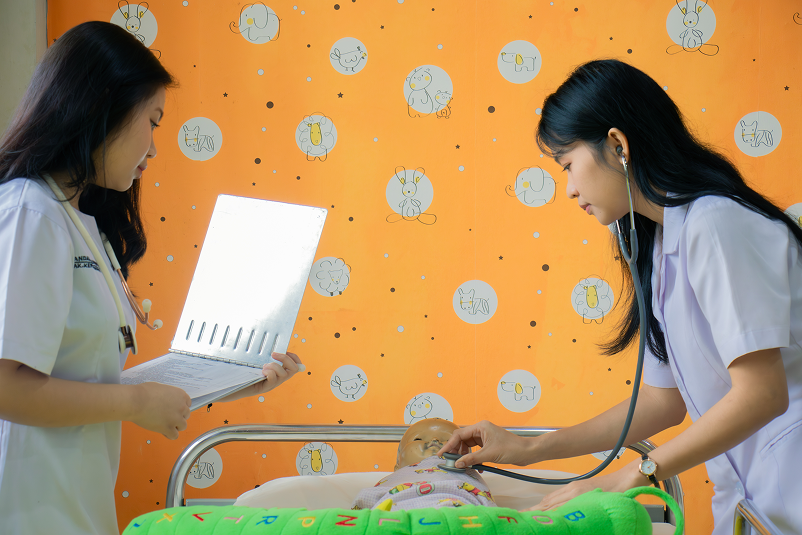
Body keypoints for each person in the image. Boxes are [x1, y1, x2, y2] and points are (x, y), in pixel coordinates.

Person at [439, 59, 802, 535]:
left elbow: (763, 394)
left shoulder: (716, 223)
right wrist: (531, 448)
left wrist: (632, 475)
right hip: (754, 501)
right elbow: (661, 402)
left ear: (617, 145)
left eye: (568, 165)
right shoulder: (661, 243)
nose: (569, 190)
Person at [0, 22, 303, 534]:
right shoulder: (31, 212)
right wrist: (138, 403)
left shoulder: (78, 222)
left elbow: (85, 382)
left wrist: (231, 378)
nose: (155, 149)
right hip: (25, 507)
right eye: (154, 121)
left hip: (71, 504)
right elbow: (7, 387)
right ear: (104, 108)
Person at [352, 418, 496, 511]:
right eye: (418, 439)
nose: (435, 440)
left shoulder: (470, 475)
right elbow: (364, 504)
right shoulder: (390, 481)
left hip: (458, 510)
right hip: (392, 513)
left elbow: (488, 508)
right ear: (398, 465)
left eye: (449, 440)